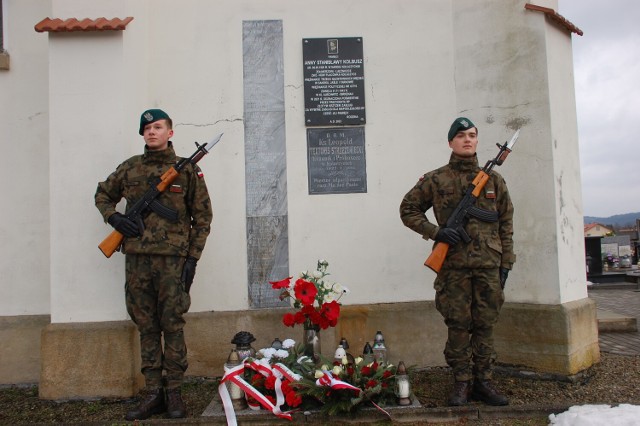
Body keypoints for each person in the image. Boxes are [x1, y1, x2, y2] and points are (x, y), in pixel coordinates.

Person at [95, 109, 213, 420]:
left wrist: (192, 260)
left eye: (158, 127)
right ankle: (152, 394)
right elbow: (103, 194)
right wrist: (115, 217)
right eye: (146, 128)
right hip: (137, 262)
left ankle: (173, 392)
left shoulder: (186, 172)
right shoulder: (130, 168)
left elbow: (202, 219)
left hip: (173, 263)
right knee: (146, 326)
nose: (152, 132)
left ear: (170, 132)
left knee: (172, 325)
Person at [399, 117, 515, 407]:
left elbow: (506, 223)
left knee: (486, 324)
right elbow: (408, 210)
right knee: (459, 325)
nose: (467, 139)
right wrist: (437, 232)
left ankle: (483, 383)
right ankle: (462, 383)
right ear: (450, 142)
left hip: (489, 266)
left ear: (477, 140)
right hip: (453, 267)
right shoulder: (436, 179)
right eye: (461, 135)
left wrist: (506, 264)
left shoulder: (494, 180)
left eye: (472, 135)